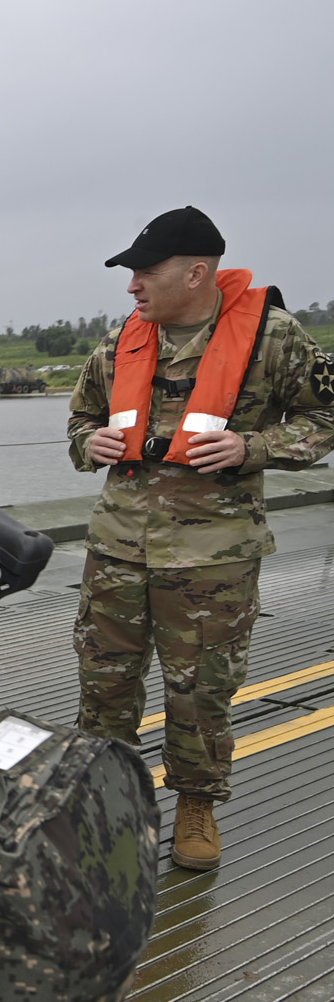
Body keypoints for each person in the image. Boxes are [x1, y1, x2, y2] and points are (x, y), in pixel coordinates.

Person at [70, 206, 334, 870]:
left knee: (200, 691)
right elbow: (80, 417)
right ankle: (107, 803)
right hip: (118, 549)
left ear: (196, 273)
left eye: (144, 272)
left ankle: (195, 803)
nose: (132, 286)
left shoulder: (273, 338)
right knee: (104, 689)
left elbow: (326, 416)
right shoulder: (122, 340)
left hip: (214, 556)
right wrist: (86, 442)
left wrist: (256, 445)